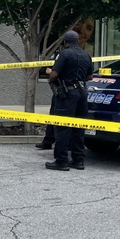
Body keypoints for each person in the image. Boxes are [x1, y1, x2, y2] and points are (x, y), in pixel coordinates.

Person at [45, 29, 93, 171]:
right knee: (79, 128)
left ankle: (61, 161)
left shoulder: (64, 54)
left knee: (62, 127)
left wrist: (52, 75)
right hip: (82, 93)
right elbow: (90, 77)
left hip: (67, 95)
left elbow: (54, 74)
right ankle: (78, 160)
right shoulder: (86, 55)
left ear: (65, 42)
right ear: (78, 40)